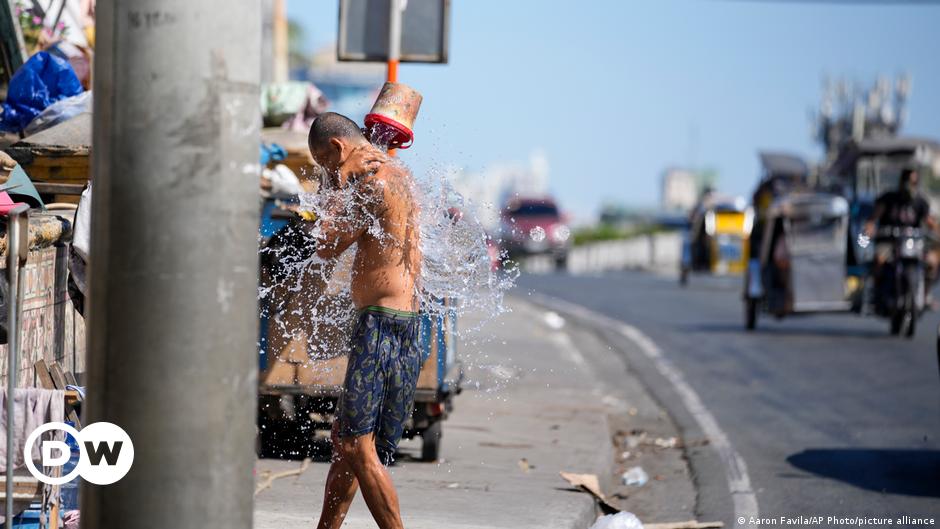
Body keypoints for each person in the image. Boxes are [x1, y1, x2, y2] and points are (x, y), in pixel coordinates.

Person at [306, 112, 422, 529]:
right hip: (404, 322)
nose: (326, 172)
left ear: (337, 149)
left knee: (355, 445)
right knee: (350, 445)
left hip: (381, 324)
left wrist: (333, 188)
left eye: (324, 163)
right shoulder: (399, 175)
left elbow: (326, 244)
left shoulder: (372, 183)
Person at [864, 168, 939, 300]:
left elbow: (930, 222)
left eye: (914, 183)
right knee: (879, 261)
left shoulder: (920, 202)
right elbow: (872, 220)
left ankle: (924, 295)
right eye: (908, 182)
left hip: (913, 244)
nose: (910, 186)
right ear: (901, 182)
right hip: (889, 243)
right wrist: (867, 232)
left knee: (932, 262)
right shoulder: (888, 199)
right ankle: (876, 293)